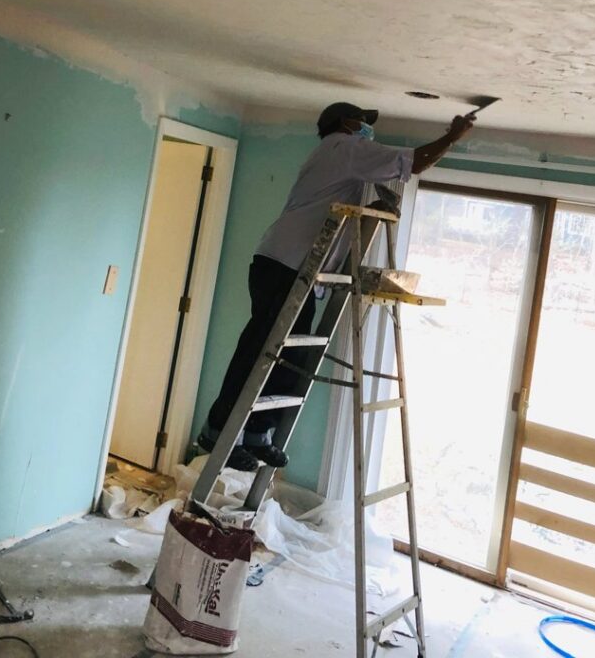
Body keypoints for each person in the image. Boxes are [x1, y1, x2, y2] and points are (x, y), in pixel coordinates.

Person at [198, 100, 476, 472]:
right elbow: (414, 162)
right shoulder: (345, 148)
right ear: (345, 124)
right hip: (284, 263)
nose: (367, 129)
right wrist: (452, 137)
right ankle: (217, 431)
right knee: (259, 351)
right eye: (363, 122)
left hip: (293, 268)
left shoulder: (341, 157)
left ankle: (257, 434)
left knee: (290, 356)